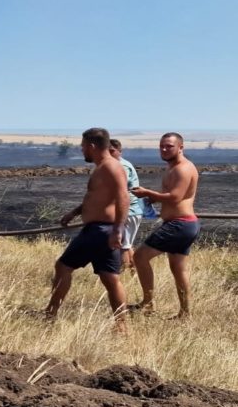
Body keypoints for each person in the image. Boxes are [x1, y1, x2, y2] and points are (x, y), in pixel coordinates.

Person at [44, 128, 129, 326]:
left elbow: (123, 197)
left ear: (91, 146)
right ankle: (122, 326)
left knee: (63, 267)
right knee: (110, 278)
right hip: (101, 230)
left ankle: (50, 314)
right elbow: (97, 199)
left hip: (100, 231)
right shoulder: (103, 167)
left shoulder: (111, 167)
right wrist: (74, 212)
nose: (82, 150)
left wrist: (118, 229)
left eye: (83, 147)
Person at [131, 132, 200, 318]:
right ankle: (185, 314)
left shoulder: (183, 169)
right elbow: (171, 198)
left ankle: (148, 303)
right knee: (178, 269)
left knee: (139, 257)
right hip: (183, 224)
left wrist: (147, 193)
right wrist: (153, 199)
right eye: (161, 146)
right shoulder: (172, 168)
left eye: (169, 146)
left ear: (180, 147)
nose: (164, 149)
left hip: (180, 224)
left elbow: (176, 196)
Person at [108, 138, 144, 269]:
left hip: (129, 210)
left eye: (112, 151)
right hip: (131, 210)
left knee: (122, 246)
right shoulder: (117, 165)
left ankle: (123, 276)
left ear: (119, 151)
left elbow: (120, 191)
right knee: (127, 244)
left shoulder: (122, 167)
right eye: (107, 151)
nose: (109, 154)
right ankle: (134, 273)